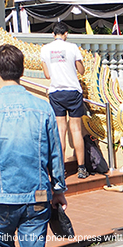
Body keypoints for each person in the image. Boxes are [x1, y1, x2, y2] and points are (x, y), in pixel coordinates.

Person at [0, 44, 67, 247]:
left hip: (0, 197)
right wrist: (59, 189)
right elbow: (55, 153)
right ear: (22, 71)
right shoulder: (43, 108)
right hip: (37, 195)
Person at [40, 21, 88, 180]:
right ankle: (81, 168)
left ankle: (59, 170)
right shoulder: (73, 47)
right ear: (65, 33)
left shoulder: (45, 49)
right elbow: (81, 70)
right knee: (76, 130)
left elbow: (47, 75)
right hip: (73, 91)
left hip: (56, 92)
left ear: (53, 34)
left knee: (60, 131)